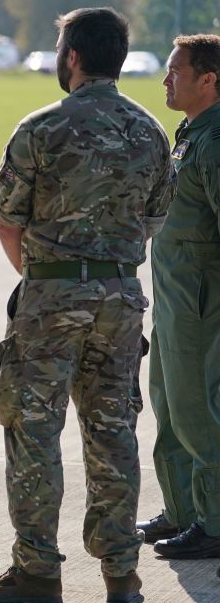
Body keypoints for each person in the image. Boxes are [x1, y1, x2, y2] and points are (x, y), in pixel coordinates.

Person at [0, 7, 175, 603]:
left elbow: (8, 220)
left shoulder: (42, 127)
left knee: (34, 430)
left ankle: (37, 569)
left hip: (51, 295)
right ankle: (121, 574)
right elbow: (152, 221)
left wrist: (44, 280)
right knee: (113, 432)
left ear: (74, 58)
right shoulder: (149, 133)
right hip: (120, 298)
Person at [138, 34, 220, 561]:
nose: (167, 81)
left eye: (176, 72)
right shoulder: (190, 135)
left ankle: (214, 521)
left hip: (201, 304)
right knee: (168, 406)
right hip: (174, 299)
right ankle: (183, 509)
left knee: (198, 411)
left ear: (210, 80)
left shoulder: (215, 144)